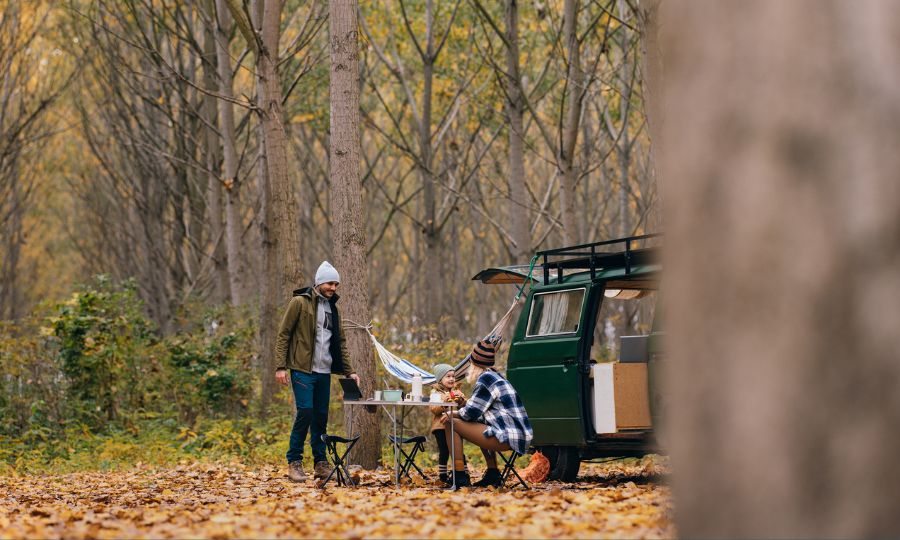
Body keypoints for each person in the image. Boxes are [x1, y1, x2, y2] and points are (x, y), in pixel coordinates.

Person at [275, 261, 361, 483]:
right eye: (330, 283)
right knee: (306, 412)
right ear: (320, 282)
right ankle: (294, 462)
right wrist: (280, 366)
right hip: (302, 369)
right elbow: (284, 334)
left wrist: (349, 372)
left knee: (321, 417)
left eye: (336, 284)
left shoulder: (334, 308)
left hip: (324, 371)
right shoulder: (299, 303)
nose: (333, 288)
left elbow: (340, 342)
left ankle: (321, 464)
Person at [441, 339, 533, 488]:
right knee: (479, 423)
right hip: (517, 434)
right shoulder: (495, 376)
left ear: (474, 363)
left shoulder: (485, 379)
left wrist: (453, 414)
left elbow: (470, 413)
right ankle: (492, 473)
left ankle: (459, 477)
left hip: (507, 436)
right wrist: (464, 405)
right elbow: (479, 411)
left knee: (450, 423)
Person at [428, 364, 468, 484]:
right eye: (448, 376)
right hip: (440, 426)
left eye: (453, 376)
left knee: (458, 451)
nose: (451, 379)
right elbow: (434, 409)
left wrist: (461, 400)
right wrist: (443, 402)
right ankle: (443, 476)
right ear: (440, 379)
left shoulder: (456, 391)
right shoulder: (435, 392)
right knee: (444, 451)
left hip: (456, 425)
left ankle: (464, 474)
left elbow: (464, 407)